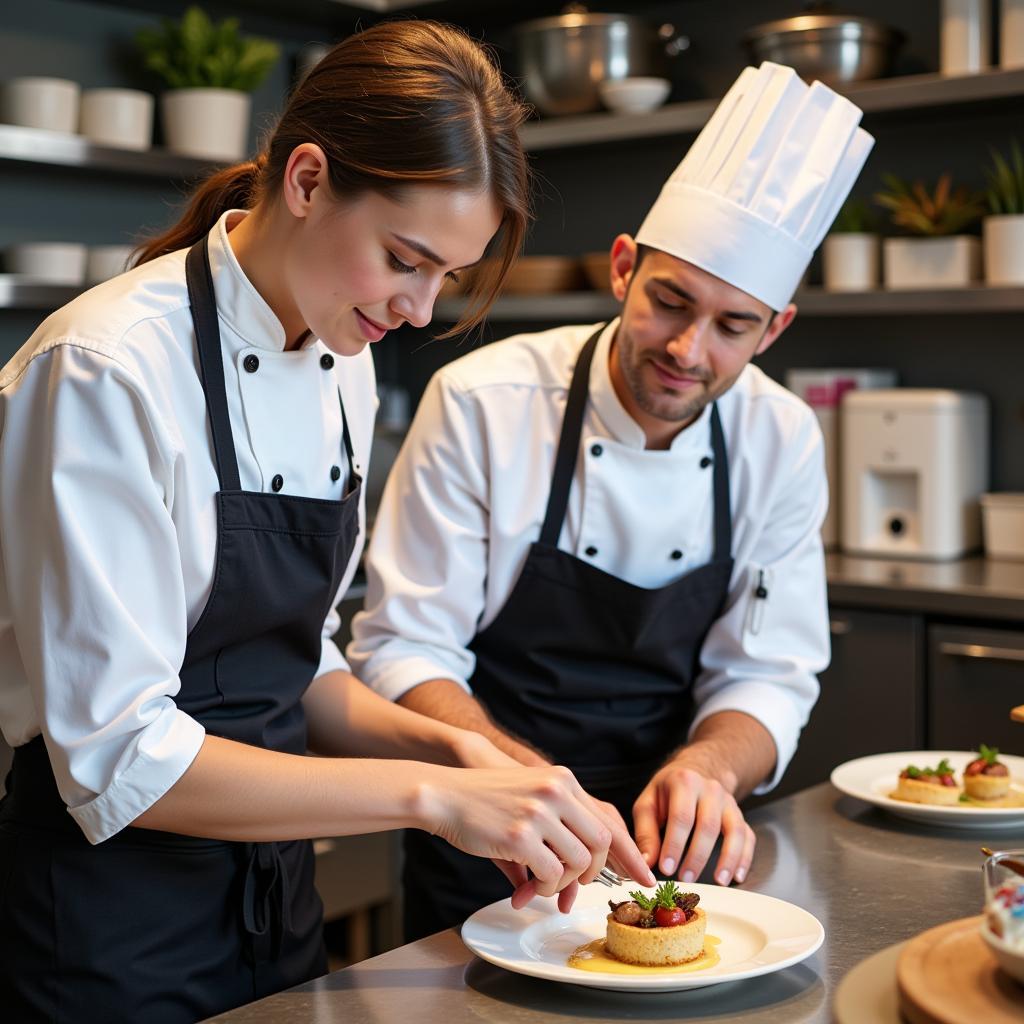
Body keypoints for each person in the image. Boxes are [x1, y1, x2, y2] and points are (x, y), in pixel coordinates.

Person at [0, 21, 652, 1024]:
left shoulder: (341, 361)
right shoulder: (101, 370)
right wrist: (428, 798)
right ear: (307, 179)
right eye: (406, 258)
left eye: (446, 275)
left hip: (272, 907)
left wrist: (463, 757)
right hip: (103, 926)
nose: (422, 309)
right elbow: (118, 755)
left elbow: (292, 669)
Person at [348, 61, 876, 941]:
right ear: (624, 268)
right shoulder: (483, 401)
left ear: (775, 328)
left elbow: (768, 671)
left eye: (733, 326)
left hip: (676, 853)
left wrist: (711, 768)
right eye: (670, 301)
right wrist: (522, 785)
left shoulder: (780, 437)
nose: (687, 348)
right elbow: (406, 646)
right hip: (495, 841)